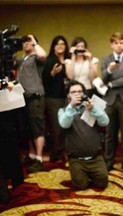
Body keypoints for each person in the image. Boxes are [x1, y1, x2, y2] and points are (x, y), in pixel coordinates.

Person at [58, 80, 109, 190]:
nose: (77, 94)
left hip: (95, 156)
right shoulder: (63, 111)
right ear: (68, 95)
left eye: (80, 91)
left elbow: (105, 122)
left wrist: (93, 109)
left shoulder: (92, 107)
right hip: (76, 159)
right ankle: (83, 174)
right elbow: (64, 124)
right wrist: (71, 107)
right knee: (81, 185)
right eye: (73, 92)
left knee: (102, 183)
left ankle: (91, 174)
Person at [101, 32, 123, 172]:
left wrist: (112, 83)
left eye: (121, 42)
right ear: (112, 44)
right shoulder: (106, 59)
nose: (119, 45)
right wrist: (109, 70)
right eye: (116, 43)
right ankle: (109, 161)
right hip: (110, 100)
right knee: (110, 134)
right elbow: (103, 79)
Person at [16, 34, 47, 173]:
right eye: (25, 41)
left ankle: (39, 159)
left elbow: (43, 54)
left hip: (35, 96)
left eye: (29, 41)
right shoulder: (21, 59)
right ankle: (32, 155)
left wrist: (33, 41)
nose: (26, 43)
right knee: (28, 128)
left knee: (37, 127)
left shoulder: (36, 58)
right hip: (22, 97)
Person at [42, 35, 70, 162]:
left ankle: (66, 151)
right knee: (57, 127)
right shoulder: (49, 61)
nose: (60, 46)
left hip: (67, 98)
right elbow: (44, 81)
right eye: (57, 44)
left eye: (62, 44)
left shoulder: (69, 60)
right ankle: (56, 154)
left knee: (68, 126)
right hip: (53, 98)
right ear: (53, 46)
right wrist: (52, 74)